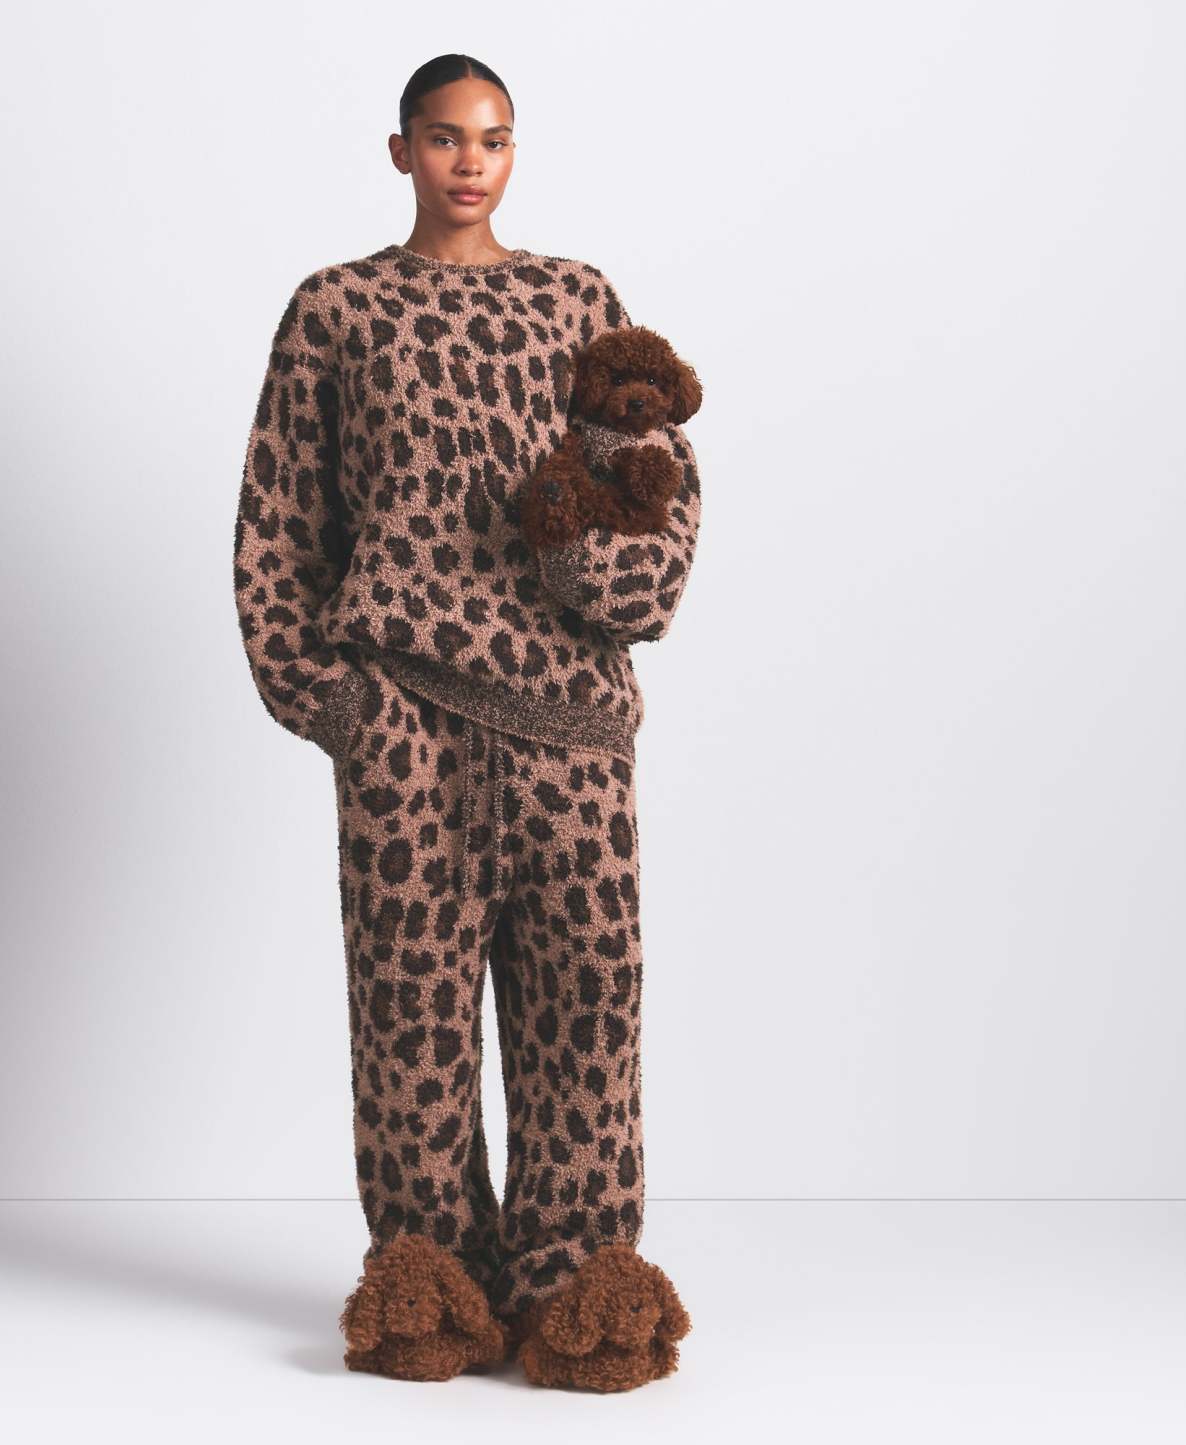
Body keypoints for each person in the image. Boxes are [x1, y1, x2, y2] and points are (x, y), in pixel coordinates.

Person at [232, 53, 702, 1386]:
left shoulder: (576, 300)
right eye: (443, 138)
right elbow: (278, 521)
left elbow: (655, 489)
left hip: (570, 726)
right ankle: (429, 1276)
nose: (469, 162)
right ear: (401, 151)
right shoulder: (338, 310)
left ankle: (576, 1280)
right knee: (411, 1020)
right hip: (406, 723)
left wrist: (583, 572)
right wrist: (337, 703)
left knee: (585, 1012)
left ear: (514, 151)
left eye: (492, 139)